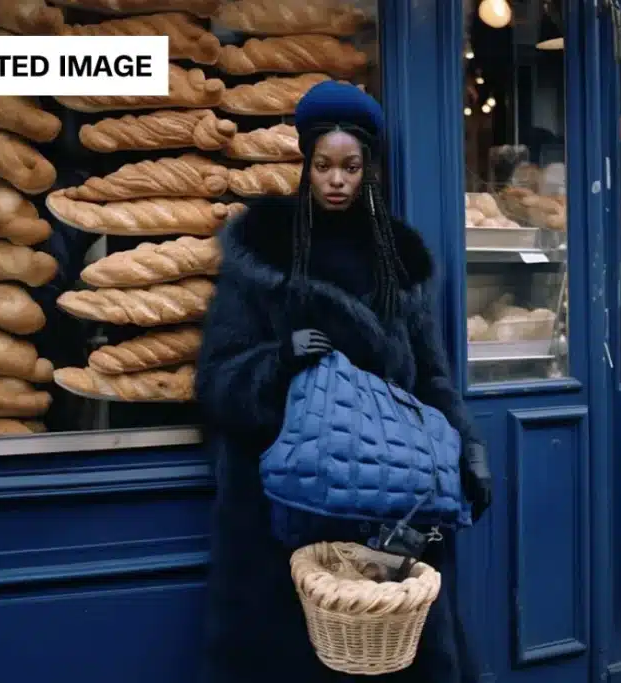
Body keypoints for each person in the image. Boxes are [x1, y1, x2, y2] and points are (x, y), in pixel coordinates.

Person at [195, 81, 492, 683]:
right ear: (306, 165)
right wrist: (280, 360)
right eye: (324, 165)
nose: (336, 180)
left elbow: (432, 377)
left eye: (350, 166)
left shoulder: (397, 260)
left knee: (388, 655)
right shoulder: (266, 252)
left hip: (387, 503)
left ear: (368, 171)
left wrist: (470, 448)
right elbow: (218, 379)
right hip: (285, 506)